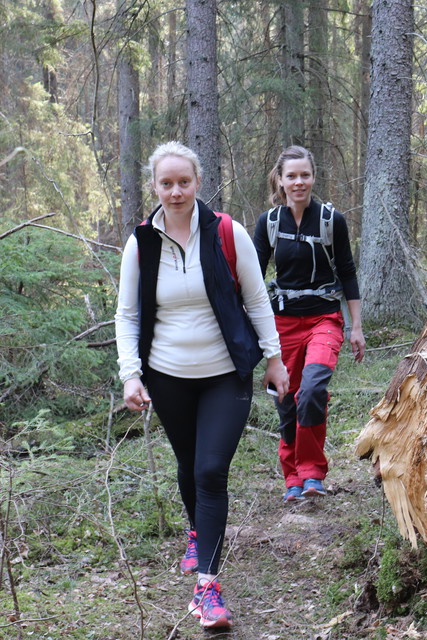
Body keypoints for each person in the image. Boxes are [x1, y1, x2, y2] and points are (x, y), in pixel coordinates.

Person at [115, 141, 289, 629]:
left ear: (198, 183)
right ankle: (198, 530)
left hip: (226, 373)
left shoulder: (227, 233)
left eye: (183, 182)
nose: (175, 191)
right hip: (166, 375)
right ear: (155, 186)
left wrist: (273, 361)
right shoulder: (141, 243)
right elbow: (127, 313)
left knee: (211, 471)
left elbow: (257, 300)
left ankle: (207, 588)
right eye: (166, 183)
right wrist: (131, 372)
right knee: (189, 464)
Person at [253, 145, 365, 503]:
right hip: (282, 323)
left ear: (313, 177)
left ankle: (313, 472)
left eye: (305, 175)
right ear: (280, 181)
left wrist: (356, 326)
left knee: (313, 390)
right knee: (286, 399)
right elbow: (252, 277)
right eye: (292, 176)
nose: (299, 182)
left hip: (324, 319)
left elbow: (347, 272)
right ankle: (293, 478)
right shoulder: (269, 223)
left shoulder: (333, 220)